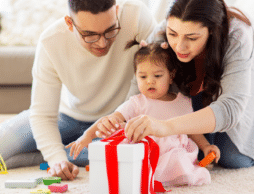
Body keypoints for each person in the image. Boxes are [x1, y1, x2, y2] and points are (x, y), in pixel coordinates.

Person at [0, 0, 156, 180]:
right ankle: (62, 152)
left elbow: (154, 77)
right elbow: (43, 114)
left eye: (110, 30)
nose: (102, 43)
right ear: (70, 23)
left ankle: (39, 156)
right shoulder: (51, 41)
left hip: (117, 121)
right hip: (66, 117)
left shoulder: (137, 16)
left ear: (117, 11)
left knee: (137, 153)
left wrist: (121, 118)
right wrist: (56, 159)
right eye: (90, 35)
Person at [123, 0, 254, 169]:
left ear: (212, 31)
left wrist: (166, 126)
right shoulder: (164, 32)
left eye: (192, 38)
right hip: (203, 79)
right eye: (173, 34)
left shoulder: (238, 37)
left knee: (230, 157)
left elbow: (230, 109)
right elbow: (138, 86)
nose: (180, 46)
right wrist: (127, 123)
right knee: (189, 143)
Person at [66, 38, 221, 186]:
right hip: (143, 154)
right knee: (107, 155)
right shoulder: (136, 102)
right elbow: (109, 120)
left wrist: (206, 146)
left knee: (183, 163)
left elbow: (192, 130)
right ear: (136, 77)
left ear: (171, 76)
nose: (150, 81)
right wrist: (87, 135)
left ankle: (172, 175)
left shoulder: (182, 102)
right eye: (143, 76)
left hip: (174, 154)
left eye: (158, 75)